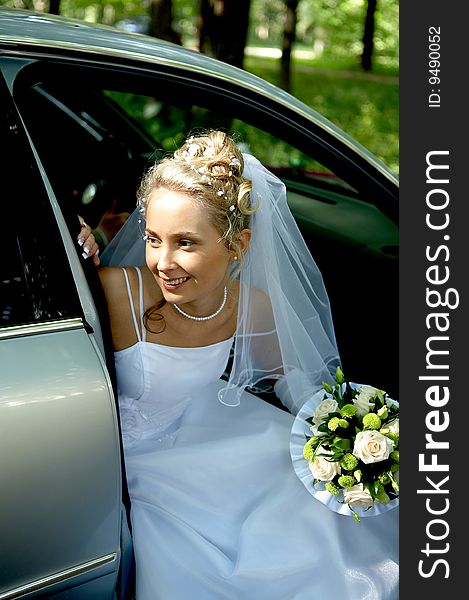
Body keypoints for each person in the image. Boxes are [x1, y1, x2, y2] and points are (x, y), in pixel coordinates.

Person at [93, 130, 398, 599]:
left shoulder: (249, 306)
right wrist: (77, 243)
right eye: (153, 239)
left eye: (186, 243)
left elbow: (294, 379)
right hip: (135, 464)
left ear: (237, 244)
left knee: (317, 531)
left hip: (202, 436)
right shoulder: (118, 292)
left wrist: (347, 430)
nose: (162, 261)